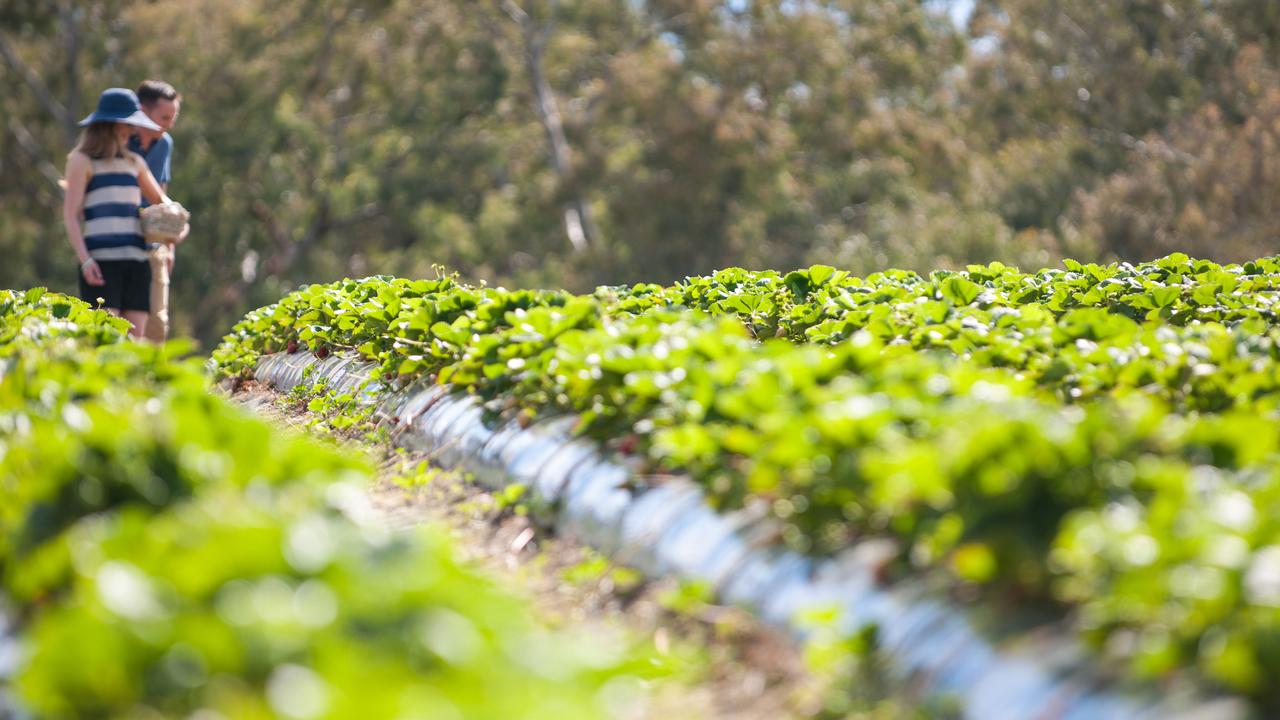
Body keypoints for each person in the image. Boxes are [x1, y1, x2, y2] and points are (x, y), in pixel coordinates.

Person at [63, 88, 178, 339]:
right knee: (106, 338)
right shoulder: (81, 161)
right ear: (111, 125)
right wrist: (85, 260)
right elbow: (70, 215)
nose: (131, 130)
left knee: (134, 341)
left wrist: (178, 222)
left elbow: (162, 201)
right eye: (127, 124)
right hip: (101, 262)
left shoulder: (134, 162)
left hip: (137, 261)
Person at [129, 79, 183, 342]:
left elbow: (160, 192)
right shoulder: (120, 139)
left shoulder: (165, 144)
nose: (168, 124)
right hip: (122, 236)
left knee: (157, 319)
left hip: (153, 239)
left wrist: (169, 243)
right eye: (163, 117)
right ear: (142, 110)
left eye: (173, 117)